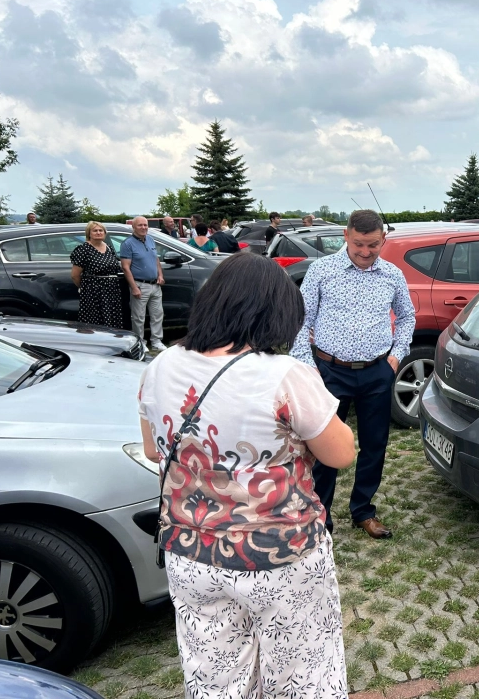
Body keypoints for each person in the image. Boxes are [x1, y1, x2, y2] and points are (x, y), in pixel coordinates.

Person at [138, 251, 356, 698]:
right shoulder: (285, 375)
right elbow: (341, 454)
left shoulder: (160, 366)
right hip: (278, 555)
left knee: (215, 675)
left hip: (190, 551)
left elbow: (152, 449)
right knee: (301, 672)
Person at [292, 209, 416, 540]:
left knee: (375, 444)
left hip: (377, 372)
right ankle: (321, 516)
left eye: (373, 245)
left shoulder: (392, 275)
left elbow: (406, 316)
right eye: (359, 244)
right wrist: (307, 368)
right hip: (329, 372)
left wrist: (396, 356)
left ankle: (363, 510)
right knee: (324, 446)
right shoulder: (322, 271)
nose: (365, 251)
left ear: (383, 240)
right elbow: (300, 320)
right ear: (346, 236)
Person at [120, 216, 166, 353]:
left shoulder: (150, 239)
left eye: (145, 225)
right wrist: (134, 287)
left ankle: (156, 341)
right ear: (133, 227)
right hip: (140, 285)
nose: (143, 227)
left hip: (155, 285)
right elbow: (125, 267)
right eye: (140, 225)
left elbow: (155, 259)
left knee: (157, 315)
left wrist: (160, 275)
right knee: (138, 317)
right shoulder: (127, 244)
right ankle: (140, 342)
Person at [71, 221, 123, 328]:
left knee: (112, 319)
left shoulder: (109, 247)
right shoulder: (83, 249)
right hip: (94, 293)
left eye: (101, 230)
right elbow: (75, 275)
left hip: (112, 291)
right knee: (95, 322)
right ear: (89, 233)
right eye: (95, 230)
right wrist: (87, 288)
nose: (98, 233)